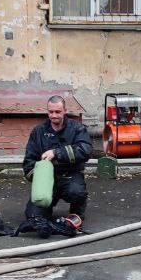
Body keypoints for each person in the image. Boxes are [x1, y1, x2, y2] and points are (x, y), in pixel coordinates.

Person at [22, 95, 92, 226]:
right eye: (51, 112)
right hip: (48, 181)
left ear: (65, 111)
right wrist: (40, 177)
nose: (54, 115)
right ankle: (44, 210)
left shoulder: (77, 129)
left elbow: (85, 150)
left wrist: (57, 153)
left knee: (77, 192)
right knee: (33, 217)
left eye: (58, 112)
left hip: (70, 177)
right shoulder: (38, 132)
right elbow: (28, 162)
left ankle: (76, 212)